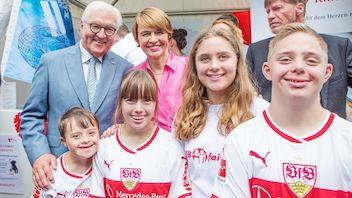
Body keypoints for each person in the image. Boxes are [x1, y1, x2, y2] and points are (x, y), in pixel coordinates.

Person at [214, 23, 352, 197]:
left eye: (311, 60)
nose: (298, 67)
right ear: (267, 70)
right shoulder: (241, 140)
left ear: (327, 72)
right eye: (286, 59)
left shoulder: (348, 141)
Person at [20, 0, 132, 190]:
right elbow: (32, 116)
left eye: (109, 29)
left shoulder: (125, 69)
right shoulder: (51, 62)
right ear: (82, 26)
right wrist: (39, 154)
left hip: (107, 170)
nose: (102, 35)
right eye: (95, 26)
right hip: (58, 170)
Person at [172, 28, 269, 197]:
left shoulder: (261, 112)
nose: (214, 66)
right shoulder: (185, 115)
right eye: (205, 59)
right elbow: (178, 177)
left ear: (237, 61)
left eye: (223, 57)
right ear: (194, 65)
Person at [89, 70, 192, 198]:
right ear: (120, 103)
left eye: (146, 100)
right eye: (131, 100)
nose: (138, 109)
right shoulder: (105, 145)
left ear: (156, 103)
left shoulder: (172, 146)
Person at [246, 0, 352, 118]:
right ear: (267, 70)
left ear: (300, 8)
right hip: (272, 131)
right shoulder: (256, 51)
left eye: (277, 8)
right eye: (268, 11)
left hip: (332, 132)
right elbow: (243, 91)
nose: (270, 16)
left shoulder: (339, 46)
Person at [131, 7, 188, 132]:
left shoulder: (189, 67)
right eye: (146, 34)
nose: (153, 39)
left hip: (189, 144)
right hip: (153, 146)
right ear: (137, 39)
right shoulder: (133, 75)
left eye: (159, 32)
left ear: (169, 35)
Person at [32, 107, 100, 198]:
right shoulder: (52, 174)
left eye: (91, 133)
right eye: (76, 136)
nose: (86, 140)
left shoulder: (103, 161)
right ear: (64, 141)